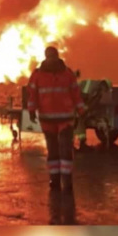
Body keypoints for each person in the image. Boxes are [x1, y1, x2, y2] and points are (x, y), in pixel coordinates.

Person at [28, 46, 86, 191]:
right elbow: (76, 94)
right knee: (63, 150)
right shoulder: (67, 73)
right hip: (63, 118)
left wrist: (31, 111)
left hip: (51, 119)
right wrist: (81, 110)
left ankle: (58, 182)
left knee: (54, 150)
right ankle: (63, 182)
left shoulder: (39, 74)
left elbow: (32, 95)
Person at [75, 78, 113, 150]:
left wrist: (88, 109)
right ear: (103, 85)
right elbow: (83, 95)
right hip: (76, 102)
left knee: (79, 121)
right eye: (106, 89)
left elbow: (93, 102)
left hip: (80, 102)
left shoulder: (98, 91)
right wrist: (84, 108)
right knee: (78, 121)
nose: (105, 91)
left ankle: (81, 143)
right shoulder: (92, 85)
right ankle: (81, 144)